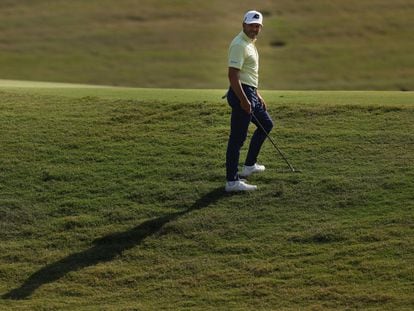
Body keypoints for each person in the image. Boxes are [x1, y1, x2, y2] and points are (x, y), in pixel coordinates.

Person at [225, 10, 274, 192]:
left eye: (257, 26)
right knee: (237, 139)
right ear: (243, 24)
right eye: (252, 25)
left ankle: (249, 166)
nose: (255, 28)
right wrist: (244, 100)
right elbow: (233, 75)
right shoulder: (239, 44)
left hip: (249, 92)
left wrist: (256, 93)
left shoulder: (249, 43)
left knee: (266, 124)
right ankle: (232, 182)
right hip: (241, 94)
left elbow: (247, 74)